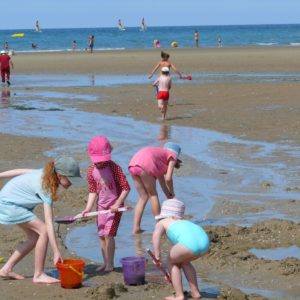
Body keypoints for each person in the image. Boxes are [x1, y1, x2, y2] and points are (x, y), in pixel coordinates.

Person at [0, 156, 83, 283]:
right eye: (70, 179)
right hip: (10, 205)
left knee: (33, 237)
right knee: (43, 230)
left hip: (10, 203)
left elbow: (19, 171)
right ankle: (38, 275)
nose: (72, 183)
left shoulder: (45, 172)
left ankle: (6, 269)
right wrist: (56, 251)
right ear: (60, 175)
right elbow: (49, 223)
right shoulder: (46, 187)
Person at [81, 136, 130, 272]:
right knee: (101, 235)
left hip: (115, 207)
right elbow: (93, 191)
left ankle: (110, 264)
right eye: (97, 161)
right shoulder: (91, 171)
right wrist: (88, 208)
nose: (99, 164)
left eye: (102, 161)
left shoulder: (114, 168)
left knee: (109, 234)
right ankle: (105, 262)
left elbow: (126, 188)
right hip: (101, 207)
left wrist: (118, 204)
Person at [152, 198, 210, 300]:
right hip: (204, 243)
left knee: (171, 262)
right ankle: (195, 292)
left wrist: (157, 255)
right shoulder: (185, 222)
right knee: (184, 261)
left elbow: (156, 236)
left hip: (189, 244)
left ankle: (179, 295)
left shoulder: (162, 222)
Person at [128, 142, 182, 234]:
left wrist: (169, 196)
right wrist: (172, 192)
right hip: (145, 164)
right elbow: (168, 179)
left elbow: (163, 182)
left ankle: (136, 228)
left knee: (143, 197)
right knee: (153, 195)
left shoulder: (159, 157)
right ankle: (159, 225)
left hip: (133, 164)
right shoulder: (172, 156)